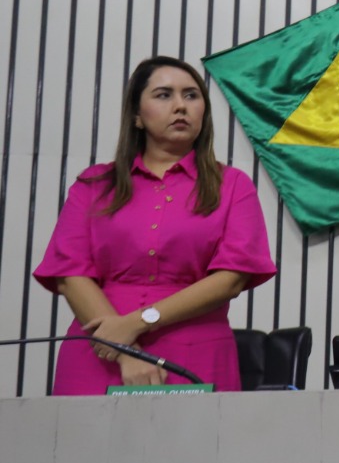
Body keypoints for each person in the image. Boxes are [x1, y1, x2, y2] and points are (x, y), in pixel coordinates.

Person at [33, 56, 276, 394]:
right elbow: (70, 272)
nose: (180, 106)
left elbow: (230, 279)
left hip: (194, 353)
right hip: (99, 352)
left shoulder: (232, 185)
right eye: (164, 95)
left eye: (191, 96)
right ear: (136, 115)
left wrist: (133, 325)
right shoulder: (93, 185)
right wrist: (123, 352)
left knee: (194, 447)